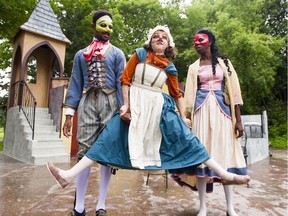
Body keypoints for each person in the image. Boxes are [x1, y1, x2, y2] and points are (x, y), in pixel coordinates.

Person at [47, 26, 250, 198]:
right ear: (150, 41)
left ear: (168, 44)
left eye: (163, 37)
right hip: (135, 103)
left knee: (189, 140)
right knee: (106, 140)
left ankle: (226, 174)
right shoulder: (139, 55)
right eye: (155, 36)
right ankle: (67, 176)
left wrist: (183, 117)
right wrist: (126, 105)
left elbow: (176, 94)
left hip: (158, 106)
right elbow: (125, 79)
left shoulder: (170, 67)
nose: (159, 39)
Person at [175, 29, 248, 216]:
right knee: (201, 157)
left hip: (223, 114)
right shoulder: (193, 67)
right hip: (200, 114)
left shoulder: (225, 64)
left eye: (201, 39)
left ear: (210, 42)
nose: (196, 43)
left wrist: (238, 121)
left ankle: (230, 207)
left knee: (224, 157)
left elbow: (236, 93)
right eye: (194, 40)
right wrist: (187, 119)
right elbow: (189, 95)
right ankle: (203, 207)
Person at [62, 10, 126, 216]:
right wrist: (69, 115)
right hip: (88, 102)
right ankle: (79, 207)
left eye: (110, 26)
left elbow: (121, 83)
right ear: (93, 27)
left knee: (106, 154)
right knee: (84, 153)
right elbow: (75, 83)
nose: (108, 30)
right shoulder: (81, 55)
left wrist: (124, 108)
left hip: (111, 102)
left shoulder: (117, 54)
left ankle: (101, 205)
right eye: (103, 25)